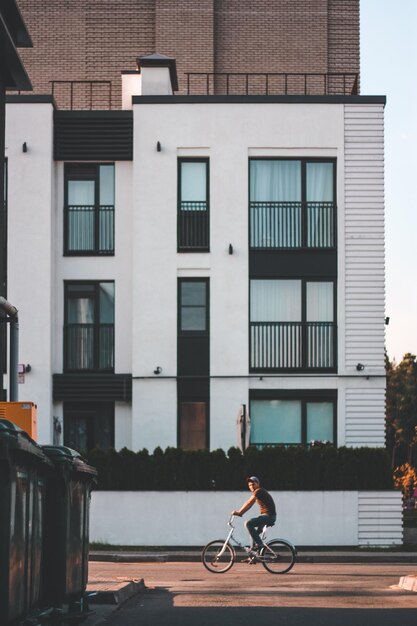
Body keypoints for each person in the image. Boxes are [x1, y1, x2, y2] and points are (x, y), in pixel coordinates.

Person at [232, 476, 276, 555]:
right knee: (253, 534)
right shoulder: (259, 492)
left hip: (268, 516)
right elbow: (250, 504)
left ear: (258, 484)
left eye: (253, 484)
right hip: (267, 516)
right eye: (249, 485)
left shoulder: (258, 491)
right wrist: (240, 513)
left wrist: (239, 512)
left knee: (248, 523)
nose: (251, 486)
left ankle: (260, 545)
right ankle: (253, 556)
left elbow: (249, 502)